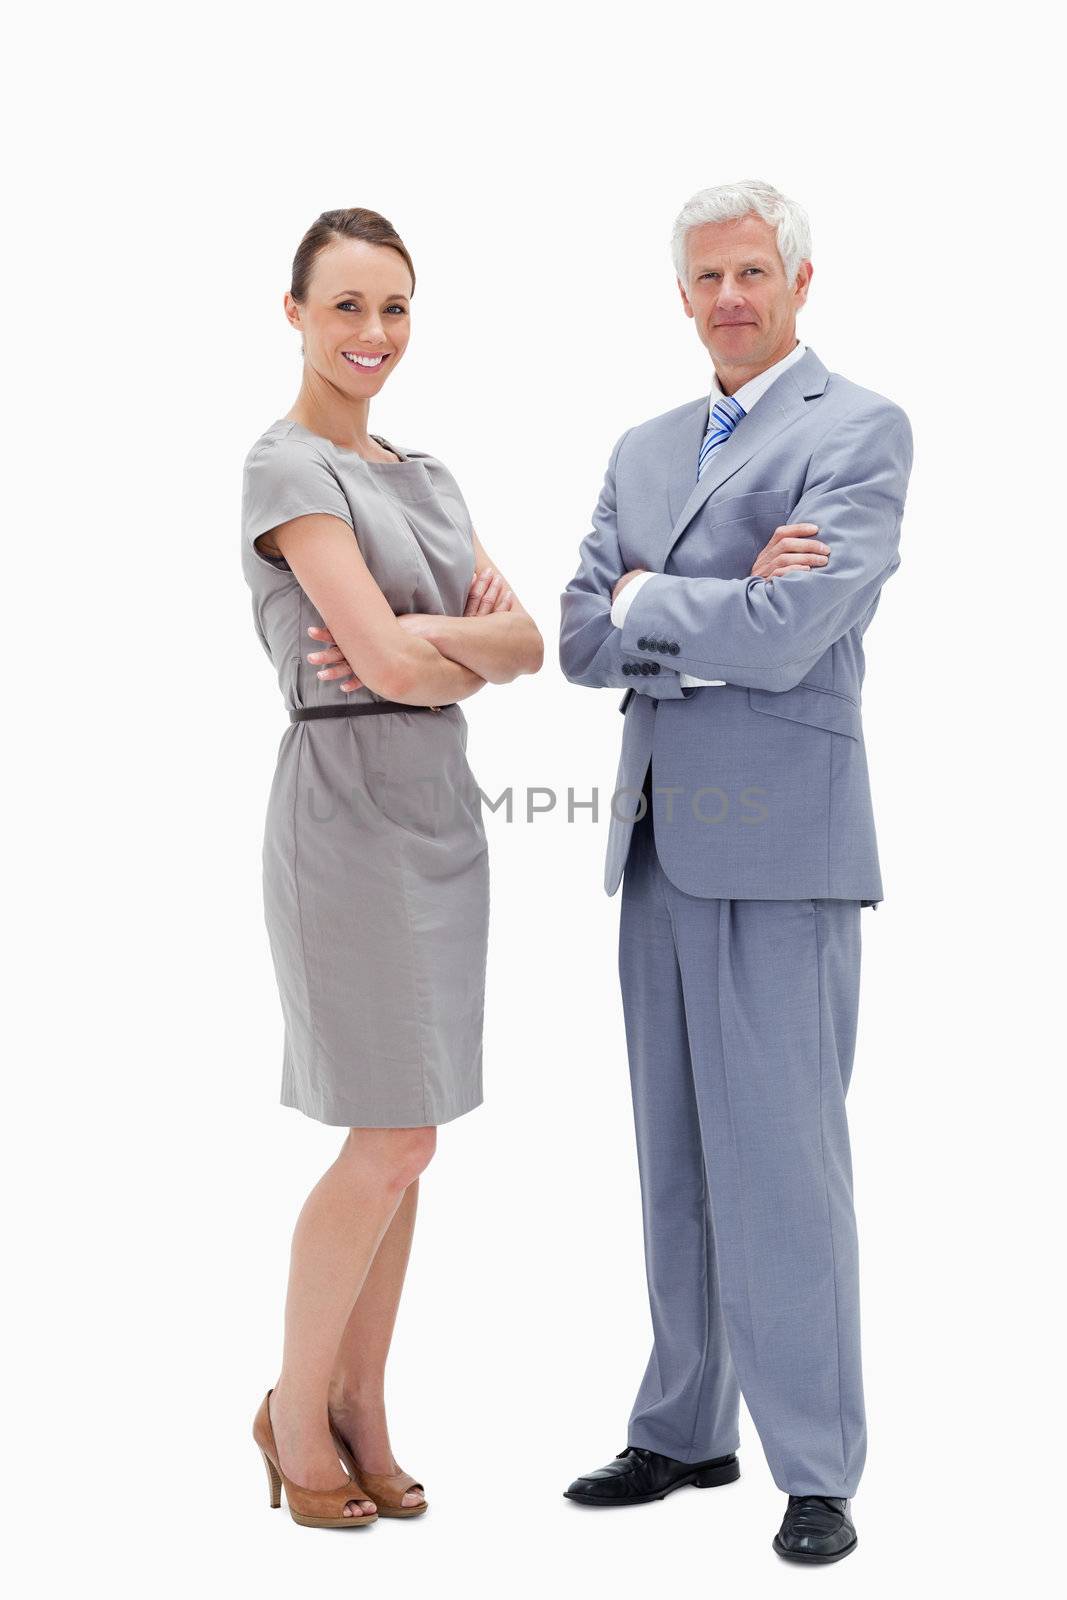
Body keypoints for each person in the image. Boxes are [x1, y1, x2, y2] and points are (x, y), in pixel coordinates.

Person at [558, 178, 913, 1564]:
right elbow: (583, 635)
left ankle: (815, 1465)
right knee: (676, 1160)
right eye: (707, 277)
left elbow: (790, 629)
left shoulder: (861, 428)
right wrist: (676, 603)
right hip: (658, 837)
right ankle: (685, 1428)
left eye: (753, 271)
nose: (730, 297)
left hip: (783, 841)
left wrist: (658, 597)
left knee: (787, 1164)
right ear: (684, 294)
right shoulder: (643, 446)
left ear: (801, 281)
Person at [242, 207, 543, 1530]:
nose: (374, 334)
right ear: (296, 312)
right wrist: (440, 646)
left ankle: (365, 1405)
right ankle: (293, 1412)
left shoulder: (429, 478)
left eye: (395, 308)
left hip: (443, 814)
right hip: (347, 814)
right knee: (389, 1133)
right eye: (348, 305)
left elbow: (530, 642)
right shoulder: (284, 468)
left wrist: (432, 644)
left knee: (411, 1145)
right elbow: (385, 667)